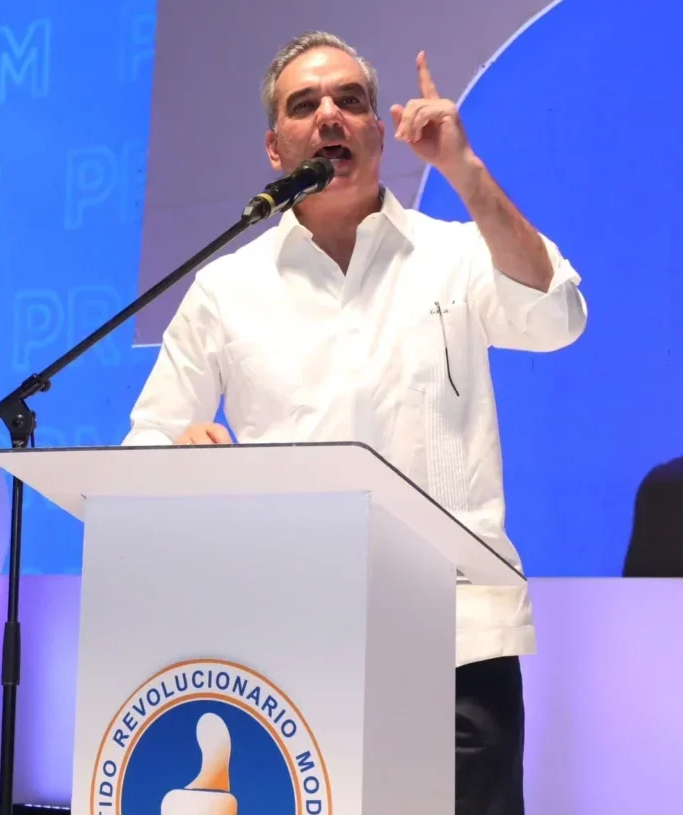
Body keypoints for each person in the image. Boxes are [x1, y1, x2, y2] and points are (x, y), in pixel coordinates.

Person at [123, 30, 588, 814]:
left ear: (377, 130)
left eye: (350, 100)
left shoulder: (453, 255)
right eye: (303, 105)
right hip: (290, 644)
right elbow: (146, 443)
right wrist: (180, 452)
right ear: (275, 146)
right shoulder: (227, 289)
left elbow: (557, 316)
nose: (329, 115)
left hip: (455, 640)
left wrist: (464, 172)